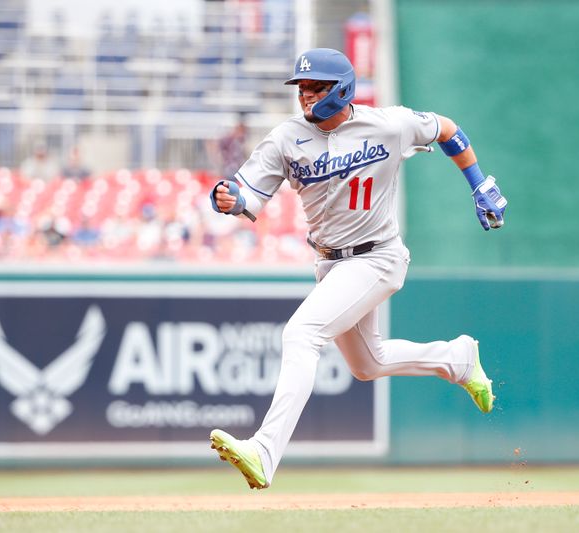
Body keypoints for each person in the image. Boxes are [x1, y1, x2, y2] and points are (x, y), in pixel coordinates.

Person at [208, 48, 507, 490]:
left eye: (316, 87)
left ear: (342, 88)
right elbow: (249, 195)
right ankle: (457, 358)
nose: (306, 95)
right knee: (369, 364)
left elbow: (447, 129)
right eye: (302, 87)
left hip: (378, 256)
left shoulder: (389, 124)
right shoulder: (286, 138)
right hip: (331, 262)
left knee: (302, 333)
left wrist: (479, 182)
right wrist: (229, 198)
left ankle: (266, 450)